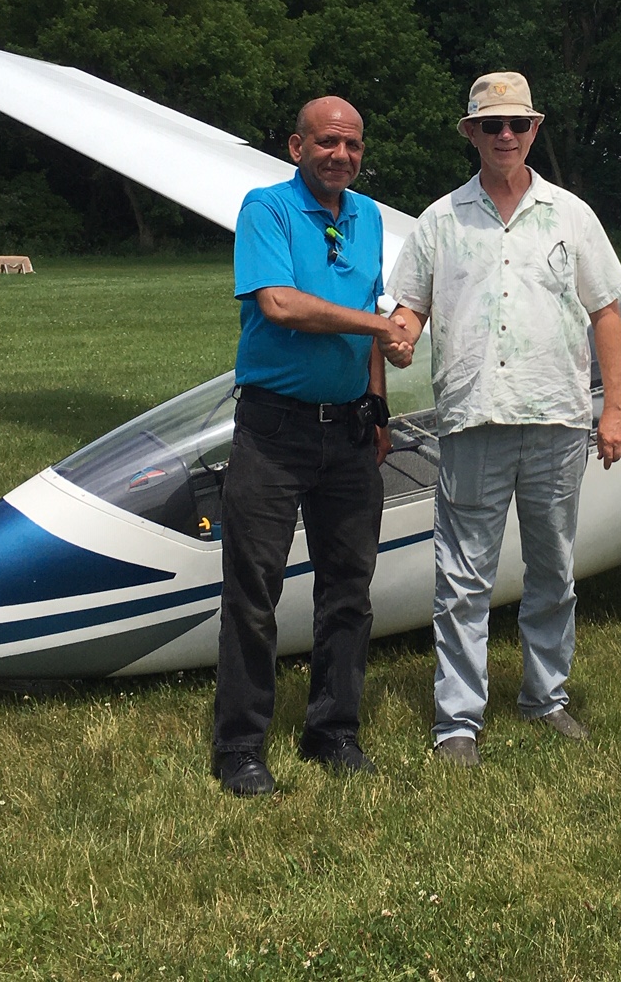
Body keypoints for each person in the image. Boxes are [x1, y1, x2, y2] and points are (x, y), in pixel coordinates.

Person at [387, 72, 621, 769]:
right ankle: (457, 721)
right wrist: (401, 332)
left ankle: (546, 697)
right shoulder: (440, 221)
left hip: (556, 418)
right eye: (491, 125)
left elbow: (607, 314)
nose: (505, 136)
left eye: (517, 125)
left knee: (554, 567)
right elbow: (411, 307)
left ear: (534, 130)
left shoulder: (571, 215)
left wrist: (614, 409)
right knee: (463, 577)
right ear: (470, 132)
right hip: (472, 420)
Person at [213, 96, 414, 797]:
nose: (341, 156)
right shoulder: (264, 208)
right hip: (273, 432)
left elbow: (372, 323)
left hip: (351, 432)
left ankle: (334, 732)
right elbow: (282, 304)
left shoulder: (367, 220)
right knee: (253, 592)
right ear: (297, 146)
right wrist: (378, 325)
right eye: (327, 143)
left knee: (349, 592)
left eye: (353, 146)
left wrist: (380, 400)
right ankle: (240, 747)